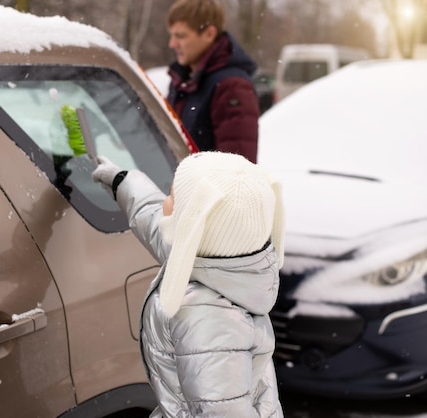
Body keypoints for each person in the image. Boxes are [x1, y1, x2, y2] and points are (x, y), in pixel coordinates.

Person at [92, 151, 285, 417]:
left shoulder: (210, 321)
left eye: (172, 197)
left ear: (195, 224)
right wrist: (123, 181)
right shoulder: (213, 255)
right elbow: (153, 219)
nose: (165, 203)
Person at [166, 0, 260, 162]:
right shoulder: (182, 81)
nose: (172, 44)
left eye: (180, 36)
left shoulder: (231, 87)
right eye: (172, 35)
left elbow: (236, 171)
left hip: (201, 187)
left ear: (209, 34)